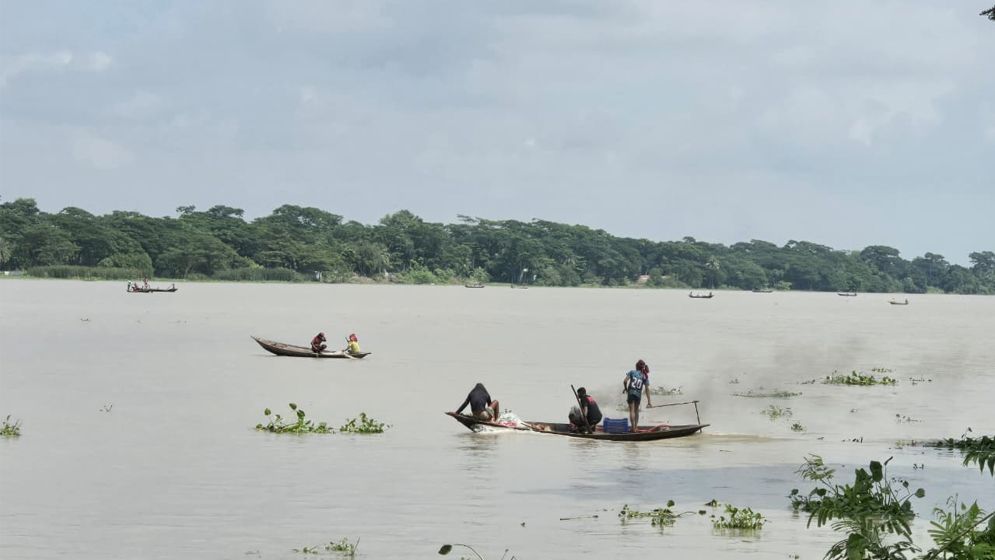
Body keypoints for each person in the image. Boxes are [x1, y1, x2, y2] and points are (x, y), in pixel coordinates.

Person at [623, 360, 651, 432]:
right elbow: (647, 389)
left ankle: (632, 428)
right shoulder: (644, 376)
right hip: (638, 395)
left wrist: (626, 389)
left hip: (631, 393)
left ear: (636, 366)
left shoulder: (632, 372)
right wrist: (649, 402)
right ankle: (635, 427)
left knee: (631, 411)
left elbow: (625, 381)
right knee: (636, 411)